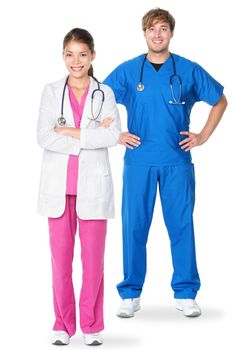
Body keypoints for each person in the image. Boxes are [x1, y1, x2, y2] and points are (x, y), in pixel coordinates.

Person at [104, 8, 227, 318]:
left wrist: (203, 136)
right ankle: (130, 293)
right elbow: (98, 98)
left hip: (176, 161)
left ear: (171, 32)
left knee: (181, 226)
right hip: (139, 162)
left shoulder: (188, 69)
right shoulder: (130, 71)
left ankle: (186, 292)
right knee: (134, 228)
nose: (157, 34)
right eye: (151, 29)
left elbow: (220, 100)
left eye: (162, 29)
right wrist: (115, 133)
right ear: (144, 34)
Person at [37, 28, 121, 346]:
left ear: (92, 56)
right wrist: (88, 133)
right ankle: (62, 324)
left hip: (93, 189)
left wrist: (68, 131)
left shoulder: (105, 93)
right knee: (61, 262)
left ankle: (91, 324)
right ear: (63, 56)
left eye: (82, 54)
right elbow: (43, 136)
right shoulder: (50, 91)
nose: (76, 61)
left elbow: (112, 137)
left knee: (93, 261)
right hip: (59, 189)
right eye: (70, 54)